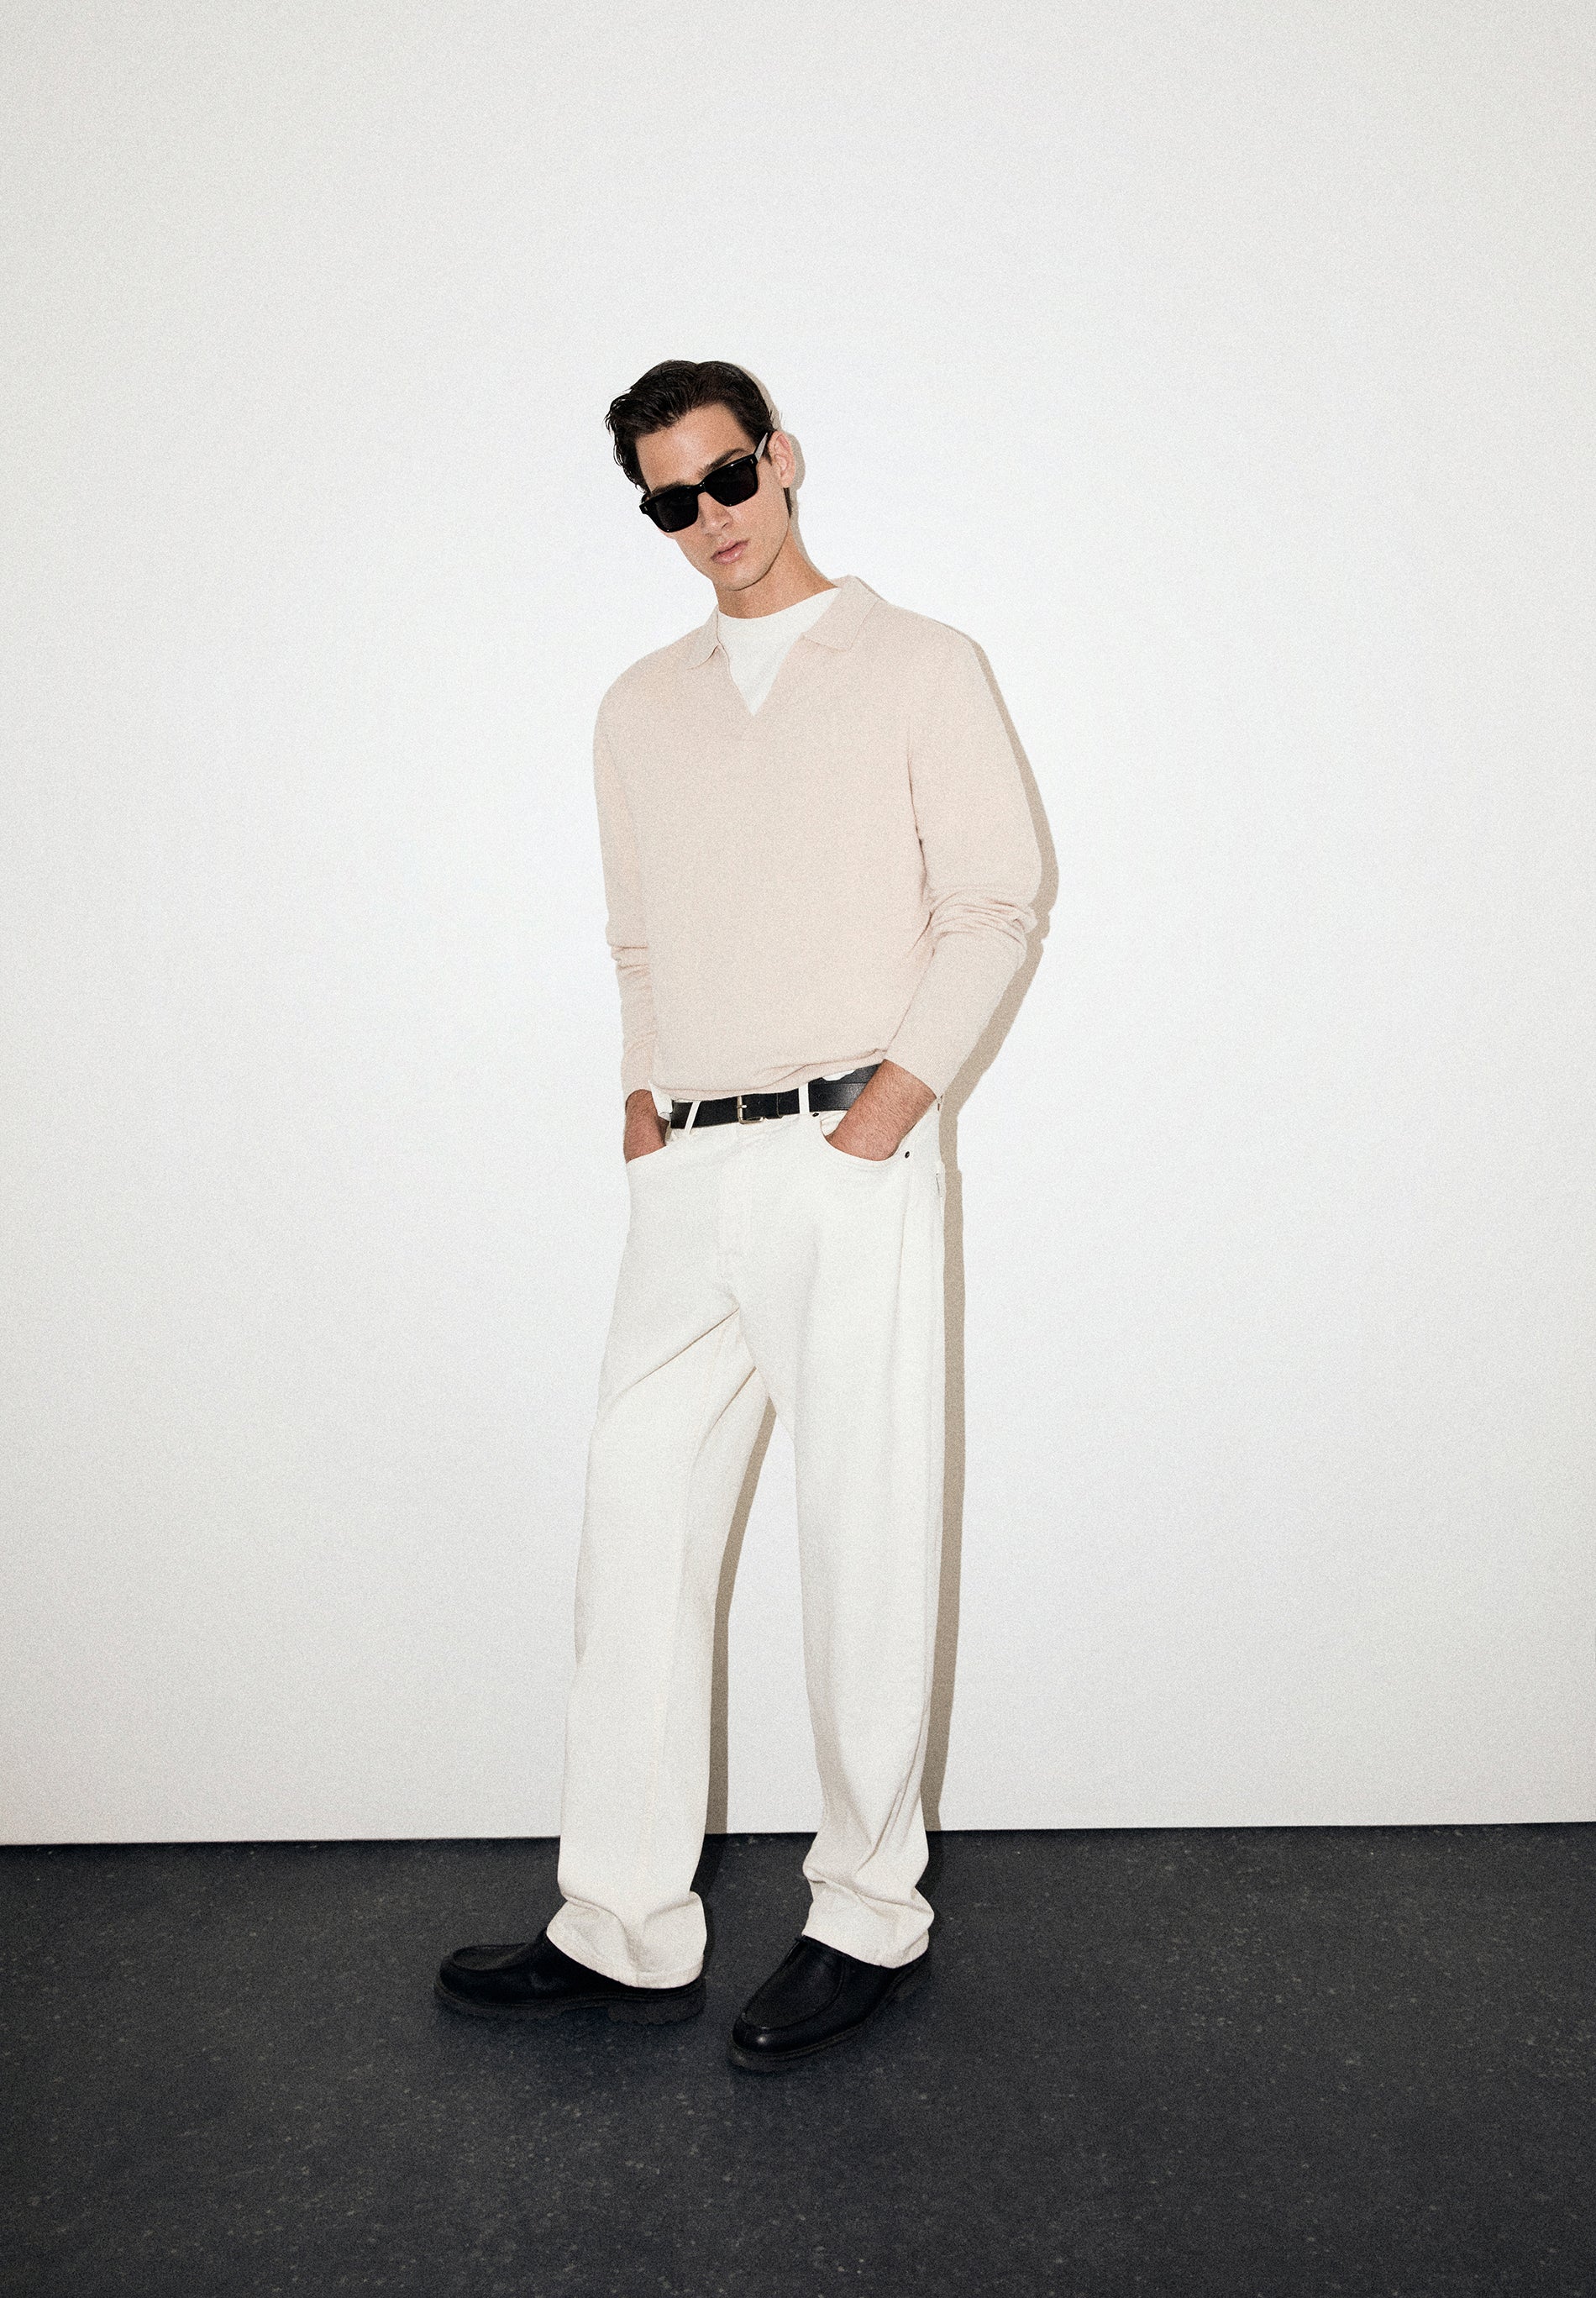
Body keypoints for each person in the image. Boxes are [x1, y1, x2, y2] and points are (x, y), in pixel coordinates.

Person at [437, 360, 1042, 2072]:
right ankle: (622, 1924)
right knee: (635, 1525)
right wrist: (643, 1103)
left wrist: (886, 1114)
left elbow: (996, 902)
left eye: (722, 480)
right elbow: (637, 936)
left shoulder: (919, 664)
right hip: (689, 1168)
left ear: (779, 459)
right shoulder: (640, 706)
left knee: (864, 1537)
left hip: (847, 1149)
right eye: (666, 502)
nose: (705, 521)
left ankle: (865, 1912)